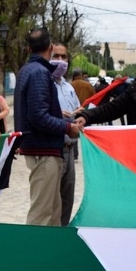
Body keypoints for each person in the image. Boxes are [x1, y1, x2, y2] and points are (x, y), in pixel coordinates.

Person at [14, 29, 82, 227]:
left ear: (28, 48)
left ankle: (47, 256)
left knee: (53, 213)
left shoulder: (29, 70)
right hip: (43, 151)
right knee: (42, 216)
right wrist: (67, 127)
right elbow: (39, 117)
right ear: (50, 48)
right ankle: (34, 256)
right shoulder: (39, 73)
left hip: (43, 149)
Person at [53, 57, 83, 225]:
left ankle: (62, 233)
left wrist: (80, 114)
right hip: (54, 149)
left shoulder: (68, 87)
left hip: (70, 147)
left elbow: (76, 110)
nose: (60, 61)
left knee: (67, 198)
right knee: (51, 201)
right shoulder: (45, 85)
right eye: (56, 56)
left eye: (63, 57)